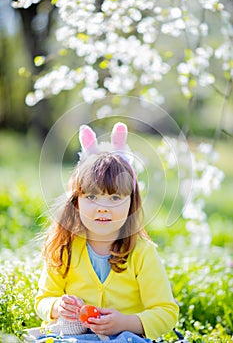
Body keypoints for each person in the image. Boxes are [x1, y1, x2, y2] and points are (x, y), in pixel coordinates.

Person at [34, 122, 179, 342]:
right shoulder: (65, 248)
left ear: (131, 204)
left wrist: (125, 323)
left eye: (115, 198)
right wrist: (57, 306)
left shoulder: (142, 253)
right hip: (75, 337)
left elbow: (166, 313)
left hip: (125, 338)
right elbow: (42, 300)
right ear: (76, 201)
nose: (103, 207)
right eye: (91, 197)